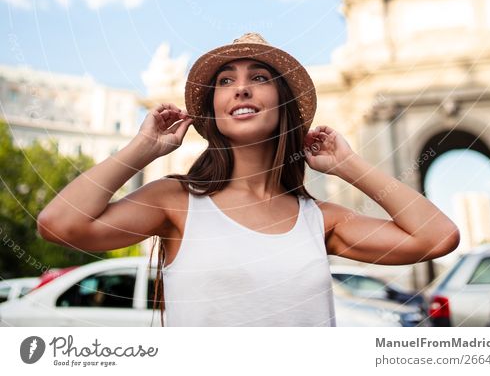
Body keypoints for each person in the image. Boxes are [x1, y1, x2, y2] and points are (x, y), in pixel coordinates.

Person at [37, 32, 460, 327]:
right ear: (214, 109)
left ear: (282, 104)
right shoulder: (175, 201)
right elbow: (59, 224)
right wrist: (141, 149)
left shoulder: (321, 219)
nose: (241, 89)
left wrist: (348, 165)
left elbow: (437, 238)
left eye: (259, 78)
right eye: (226, 81)